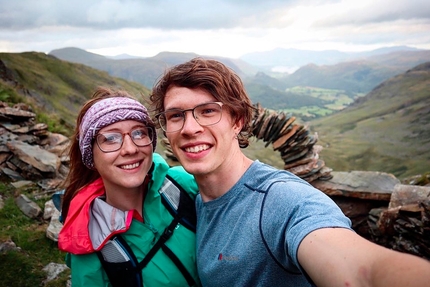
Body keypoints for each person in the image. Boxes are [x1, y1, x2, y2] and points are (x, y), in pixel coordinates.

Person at [150, 58, 430, 287]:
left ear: (238, 120)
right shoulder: (194, 198)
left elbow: (360, 271)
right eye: (176, 115)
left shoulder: (283, 200)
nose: (189, 128)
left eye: (208, 111)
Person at [58, 87, 201, 287]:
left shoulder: (182, 184)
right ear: (90, 156)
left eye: (139, 133)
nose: (130, 149)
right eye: (110, 138)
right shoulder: (90, 242)